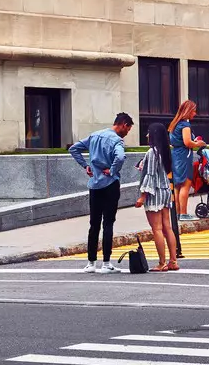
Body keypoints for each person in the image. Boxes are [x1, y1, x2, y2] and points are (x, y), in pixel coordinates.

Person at [69, 112, 134, 273]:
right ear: (123, 124)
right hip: (110, 184)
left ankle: (91, 263)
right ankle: (106, 263)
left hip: (94, 185)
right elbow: (119, 157)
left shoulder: (94, 136)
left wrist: (86, 166)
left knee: (94, 224)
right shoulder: (117, 141)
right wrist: (112, 171)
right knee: (108, 223)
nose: (127, 133)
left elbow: (74, 149)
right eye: (128, 129)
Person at [136, 121, 179, 272]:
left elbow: (150, 175)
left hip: (155, 192)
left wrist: (142, 196)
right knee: (167, 227)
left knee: (157, 229)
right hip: (165, 190)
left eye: (149, 132)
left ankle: (162, 263)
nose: (147, 135)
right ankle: (173, 261)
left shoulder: (152, 152)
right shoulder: (164, 151)